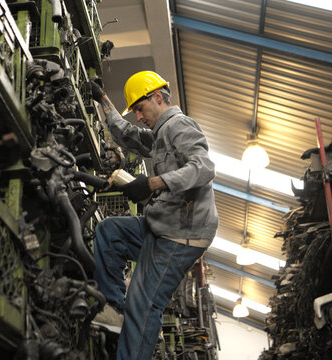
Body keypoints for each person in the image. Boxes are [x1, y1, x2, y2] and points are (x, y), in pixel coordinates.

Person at [90, 71, 218, 360]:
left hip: (181, 235)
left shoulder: (179, 125)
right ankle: (114, 310)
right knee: (110, 232)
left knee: (144, 304)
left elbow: (204, 168)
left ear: (157, 97)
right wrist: (103, 100)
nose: (138, 116)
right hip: (162, 223)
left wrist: (150, 184)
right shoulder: (161, 133)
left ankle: (132, 334)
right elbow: (127, 134)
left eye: (139, 108)